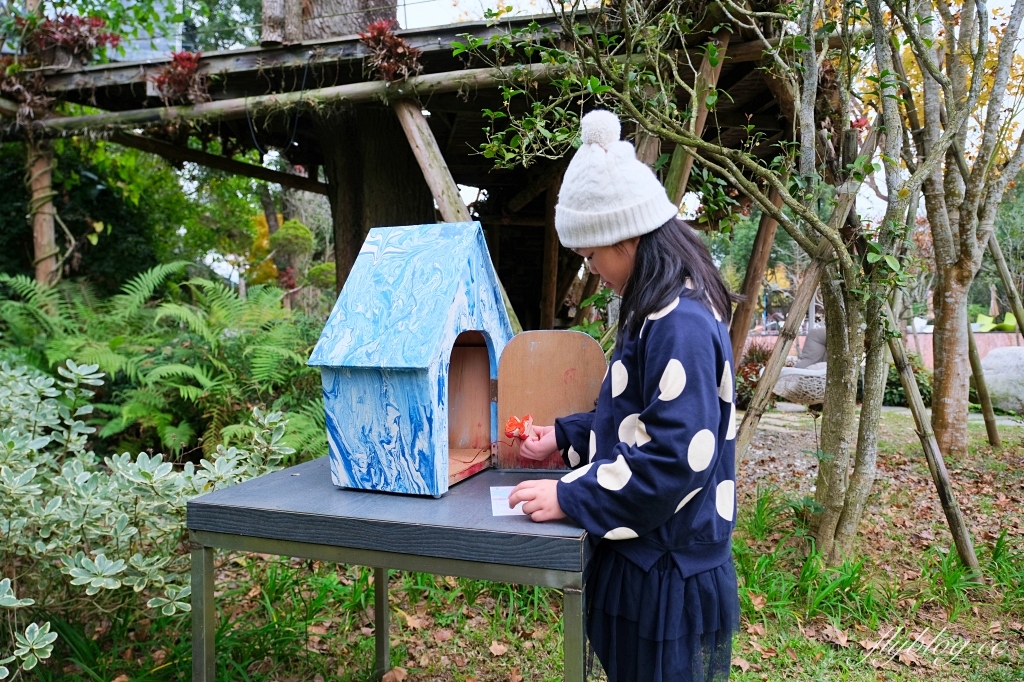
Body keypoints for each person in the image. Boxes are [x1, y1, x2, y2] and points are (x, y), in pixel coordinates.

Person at [508, 110, 740, 682]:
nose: (590, 270)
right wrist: (563, 437)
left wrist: (573, 495)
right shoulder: (655, 309)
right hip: (647, 559)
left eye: (592, 256)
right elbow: (639, 422)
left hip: (666, 571)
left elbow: (673, 459)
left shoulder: (679, 321)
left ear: (628, 237)